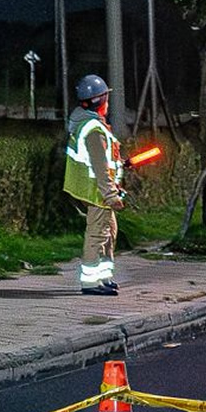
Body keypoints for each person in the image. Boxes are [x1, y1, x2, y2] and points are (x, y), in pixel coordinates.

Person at [63, 74, 126, 296]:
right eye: (106, 98)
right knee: (98, 233)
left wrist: (121, 164)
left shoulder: (90, 124)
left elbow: (104, 160)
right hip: (96, 192)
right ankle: (90, 283)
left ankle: (104, 276)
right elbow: (99, 167)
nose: (108, 103)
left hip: (98, 190)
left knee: (109, 232)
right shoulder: (93, 130)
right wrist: (111, 196)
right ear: (99, 101)